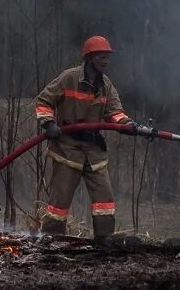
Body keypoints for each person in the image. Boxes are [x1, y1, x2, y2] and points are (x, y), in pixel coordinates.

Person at [33, 35, 156, 241]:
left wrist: (129, 125)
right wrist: (49, 123)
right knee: (59, 203)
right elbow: (43, 100)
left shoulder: (106, 85)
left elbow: (115, 112)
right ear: (90, 58)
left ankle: (105, 241)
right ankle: (52, 242)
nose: (106, 61)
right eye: (102, 57)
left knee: (104, 201)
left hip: (94, 150)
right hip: (68, 148)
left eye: (108, 57)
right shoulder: (69, 78)